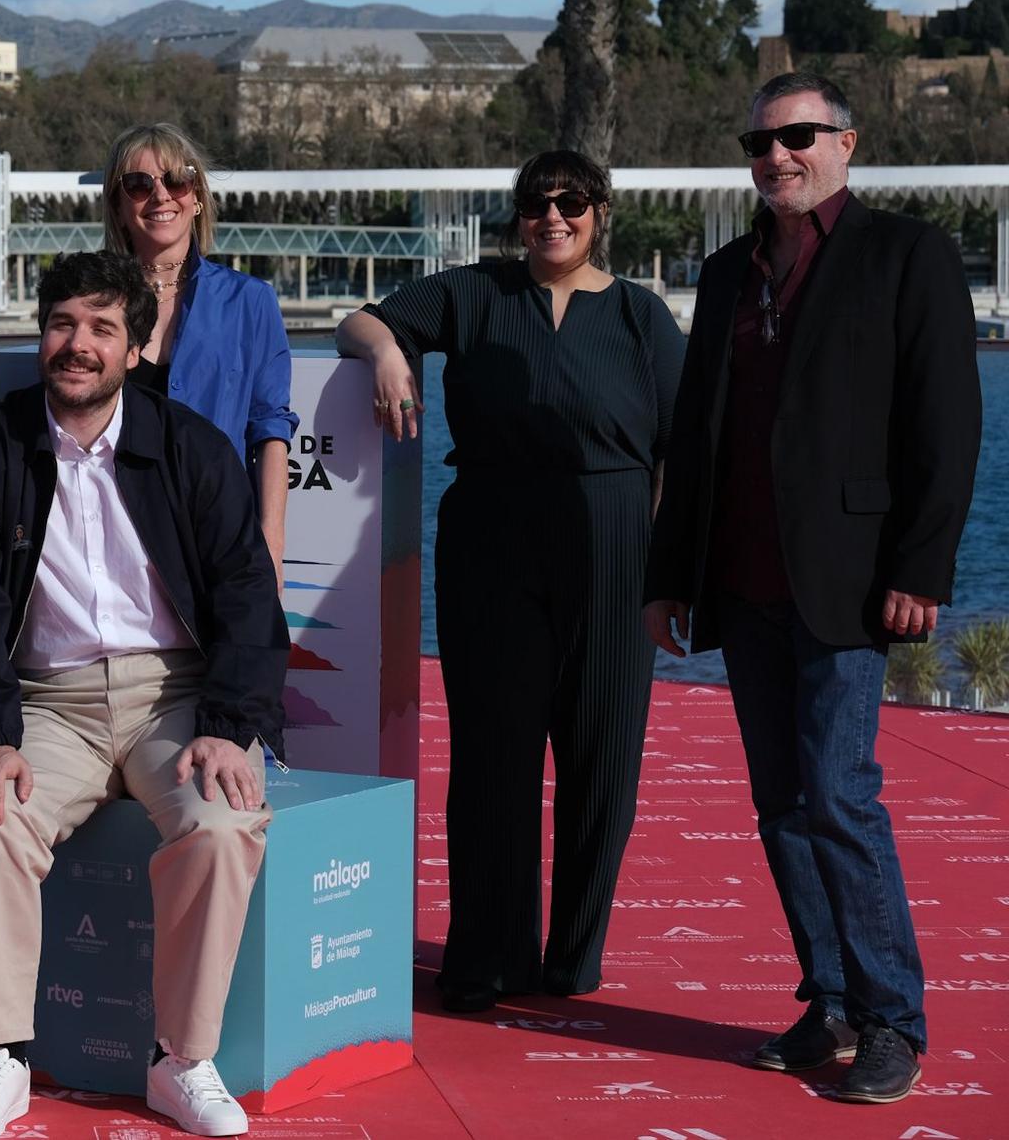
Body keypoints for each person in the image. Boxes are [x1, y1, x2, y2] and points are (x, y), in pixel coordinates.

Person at [644, 73, 981, 1105]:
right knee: (781, 803)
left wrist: (921, 569)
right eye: (758, 141)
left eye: (796, 136)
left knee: (837, 794)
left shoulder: (902, 255)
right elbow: (693, 441)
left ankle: (891, 1018)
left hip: (846, 584)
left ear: (844, 143)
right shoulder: (727, 270)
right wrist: (669, 579)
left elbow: (945, 423)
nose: (775, 156)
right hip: (740, 585)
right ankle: (828, 996)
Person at [0, 253, 285, 1139]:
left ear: (134, 345)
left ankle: (181, 1060)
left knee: (223, 821)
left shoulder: (188, 444)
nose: (76, 345)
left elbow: (246, 590)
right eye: (61, 325)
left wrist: (231, 728)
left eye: (100, 328)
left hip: (178, 693)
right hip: (48, 700)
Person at [335, 149, 683, 1013]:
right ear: (517, 214)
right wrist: (386, 354)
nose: (552, 217)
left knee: (604, 757)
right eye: (536, 203)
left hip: (613, 546)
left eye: (570, 202)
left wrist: (668, 570)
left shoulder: (643, 317)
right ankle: (490, 955)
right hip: (490, 539)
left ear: (600, 210)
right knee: (494, 754)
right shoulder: (472, 292)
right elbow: (359, 320)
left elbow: (682, 451)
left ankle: (573, 959)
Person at [99, 123, 296, 585]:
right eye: (139, 184)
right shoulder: (92, 300)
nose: (161, 195)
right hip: (110, 538)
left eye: (177, 179)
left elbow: (269, 429)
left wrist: (271, 544)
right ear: (119, 206)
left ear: (198, 196)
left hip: (219, 540)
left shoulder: (250, 302)